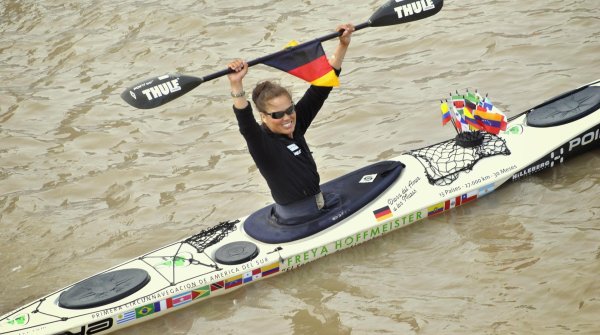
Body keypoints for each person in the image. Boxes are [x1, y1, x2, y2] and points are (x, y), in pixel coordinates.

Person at [226, 23, 355, 224]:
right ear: (264, 117)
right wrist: (236, 83)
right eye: (277, 115)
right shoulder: (262, 144)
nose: (287, 118)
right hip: (300, 219)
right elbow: (245, 121)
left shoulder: (295, 125)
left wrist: (343, 44)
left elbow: (322, 86)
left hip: (319, 206)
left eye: (290, 110)